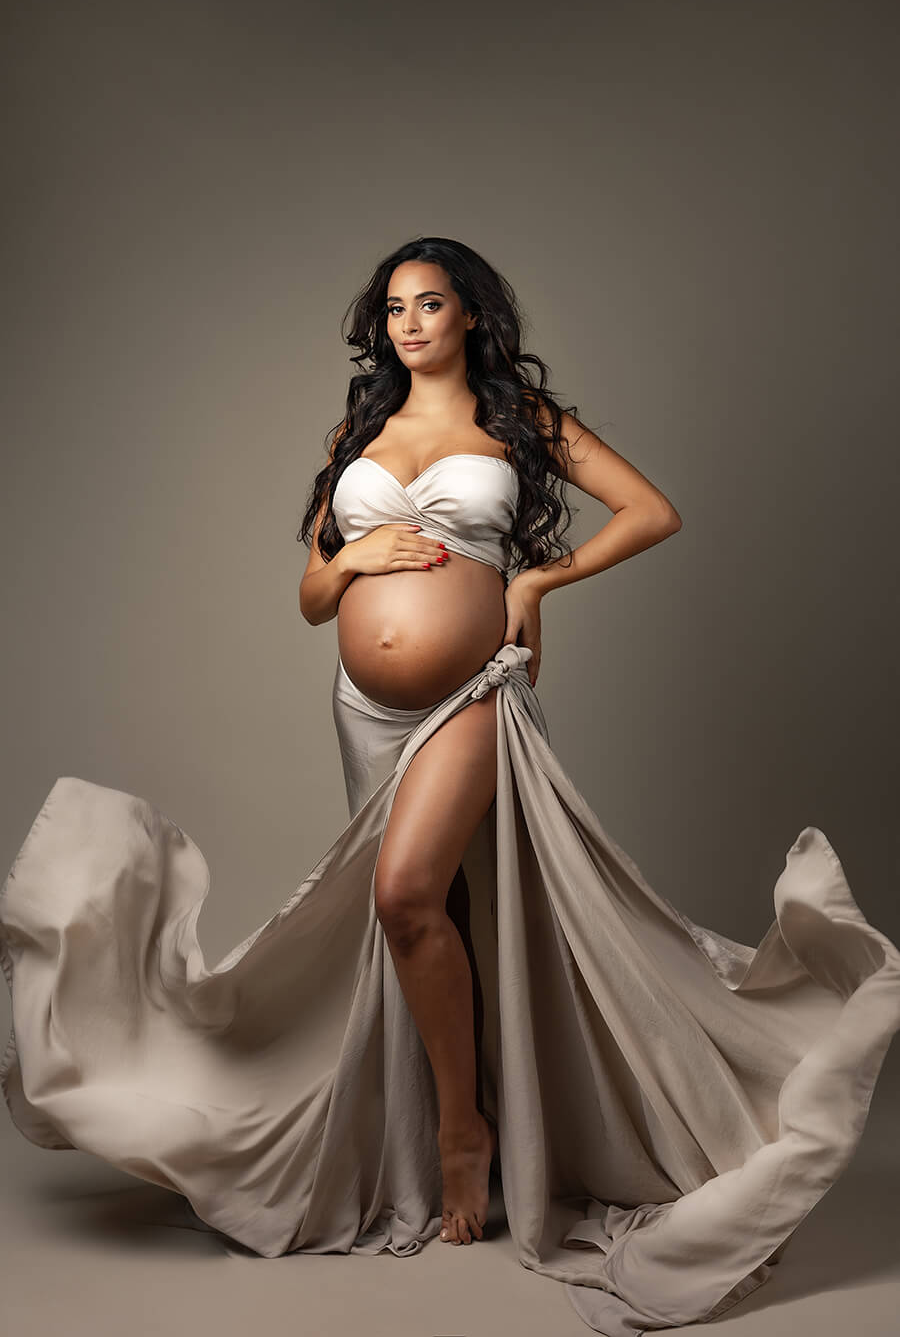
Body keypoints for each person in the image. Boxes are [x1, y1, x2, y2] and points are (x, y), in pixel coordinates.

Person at [1, 236, 898, 1336]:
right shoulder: (361, 434)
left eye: (431, 304)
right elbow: (312, 597)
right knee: (443, 919)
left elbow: (651, 511)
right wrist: (350, 564)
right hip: (362, 711)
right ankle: (477, 1120)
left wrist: (538, 580)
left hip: (473, 693)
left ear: (472, 315)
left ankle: (466, 1135)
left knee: (406, 895)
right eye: (393, 309)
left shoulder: (524, 422)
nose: (409, 323)